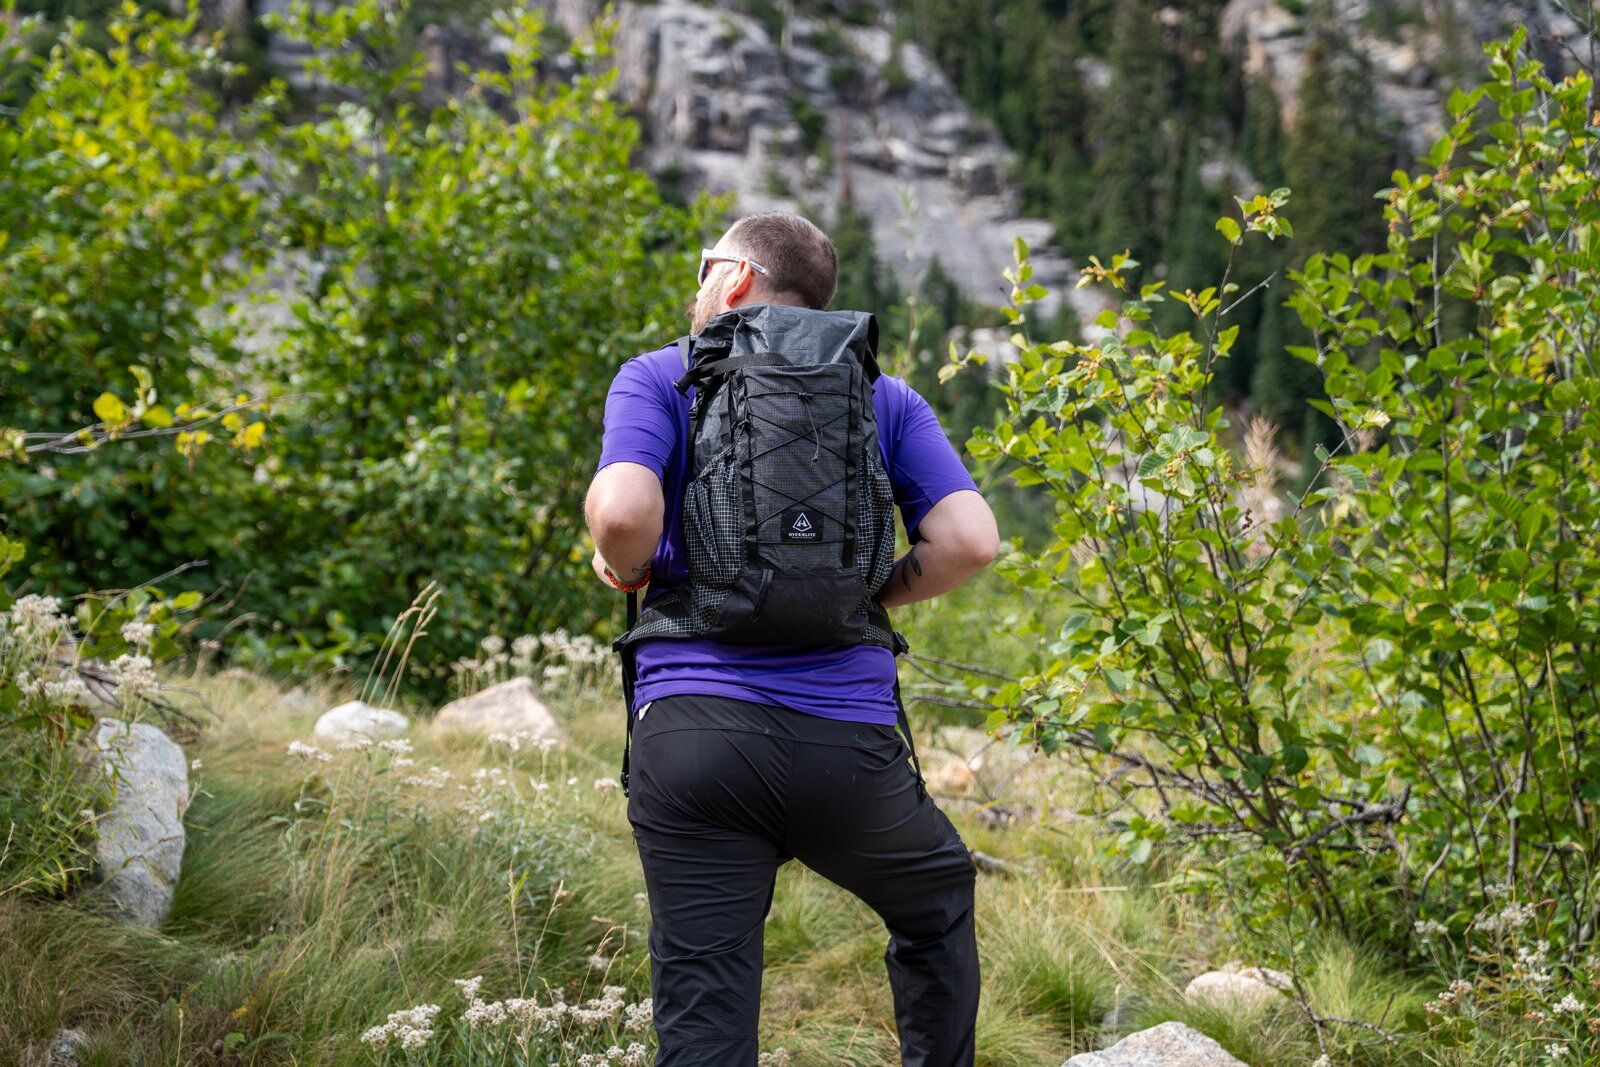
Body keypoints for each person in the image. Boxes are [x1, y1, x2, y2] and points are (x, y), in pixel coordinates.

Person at [584, 210, 999, 1067]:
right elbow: (970, 542)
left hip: (693, 738)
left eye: (705, 269)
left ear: (734, 279)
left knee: (706, 1007)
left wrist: (624, 569)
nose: (697, 286)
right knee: (938, 901)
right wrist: (861, 593)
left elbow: (623, 513)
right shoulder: (884, 395)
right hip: (847, 748)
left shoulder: (659, 375)